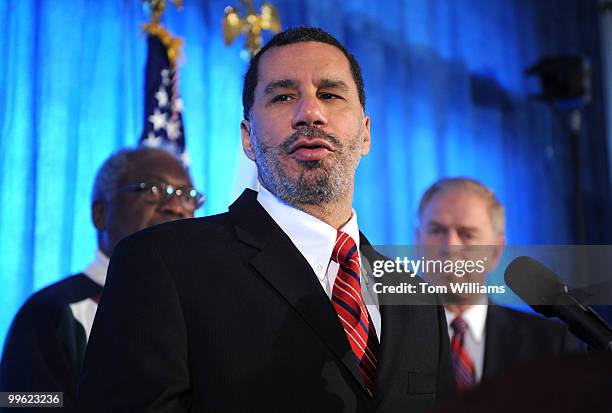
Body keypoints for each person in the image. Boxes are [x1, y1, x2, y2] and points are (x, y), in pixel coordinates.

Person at [76, 27, 456, 412]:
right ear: (247, 138)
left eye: (329, 94)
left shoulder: (419, 298)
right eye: (283, 96)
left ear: (366, 134)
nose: (310, 113)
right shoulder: (161, 263)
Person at [0, 146, 203, 411]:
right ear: (100, 214)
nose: (176, 207)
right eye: (152, 189)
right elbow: (18, 400)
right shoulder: (49, 312)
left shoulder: (207, 306)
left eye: (187, 196)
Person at [415, 177, 580, 392]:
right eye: (436, 231)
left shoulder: (550, 344)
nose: (451, 247)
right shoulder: (381, 337)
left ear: (496, 251)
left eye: (467, 234)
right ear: (417, 242)